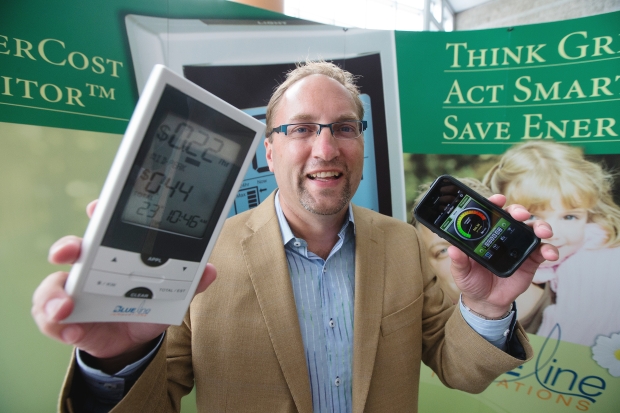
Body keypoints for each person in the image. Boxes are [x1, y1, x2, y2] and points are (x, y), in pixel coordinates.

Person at [32, 61, 557, 413]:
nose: (326, 150)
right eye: (301, 129)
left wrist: (487, 307)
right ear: (269, 151)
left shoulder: (403, 243)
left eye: (344, 128)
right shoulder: (203, 257)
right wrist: (118, 361)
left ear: (361, 144)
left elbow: (459, 370)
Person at [483, 140, 620, 346]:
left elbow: (575, 334)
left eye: (570, 217)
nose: (553, 232)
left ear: (589, 215)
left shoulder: (596, 261)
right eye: (532, 216)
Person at [410, 177, 547, 331]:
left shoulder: (564, 298)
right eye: (443, 251)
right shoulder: (435, 334)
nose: (466, 253)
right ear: (429, 269)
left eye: (479, 227)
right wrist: (488, 307)